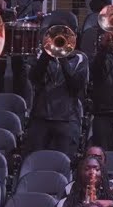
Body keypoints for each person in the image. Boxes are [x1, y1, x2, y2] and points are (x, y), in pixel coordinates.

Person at [25, 25, 89, 157]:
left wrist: (63, 56)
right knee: (35, 160)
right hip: (41, 117)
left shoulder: (80, 58)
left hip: (67, 119)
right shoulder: (40, 56)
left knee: (64, 161)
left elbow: (75, 86)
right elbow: (34, 78)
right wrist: (46, 55)